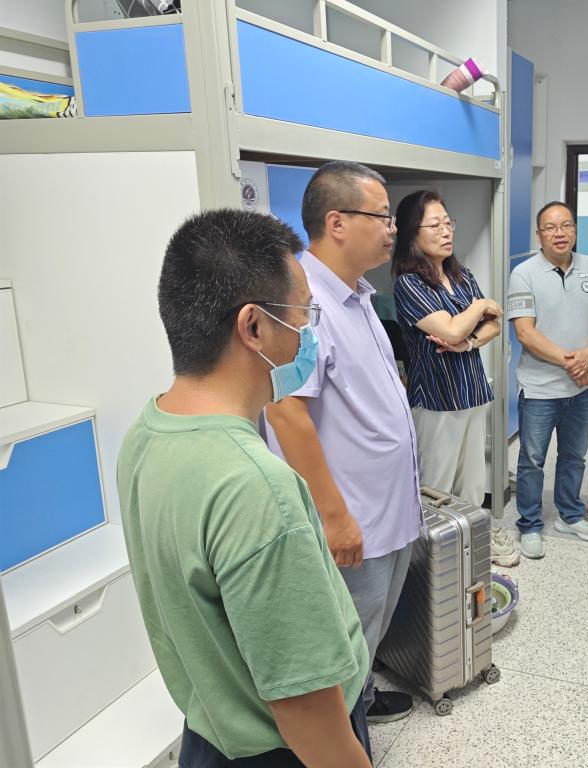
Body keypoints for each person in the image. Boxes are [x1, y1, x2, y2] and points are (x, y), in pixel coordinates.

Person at [117, 209, 371, 767]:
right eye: (304, 315)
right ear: (253, 326)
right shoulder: (257, 488)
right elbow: (307, 712)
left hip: (209, 730)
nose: (309, 335)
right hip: (281, 752)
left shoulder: (147, 432)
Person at [264, 161, 419, 725]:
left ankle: (363, 703)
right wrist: (333, 518)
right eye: (382, 216)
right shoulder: (304, 303)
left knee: (368, 631)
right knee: (343, 641)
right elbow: (285, 411)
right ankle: (345, 739)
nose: (392, 228)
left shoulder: (356, 294)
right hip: (351, 518)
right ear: (336, 222)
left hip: (385, 510)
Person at [391, 189, 519, 567]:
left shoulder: (461, 276)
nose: (446, 231)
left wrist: (469, 342)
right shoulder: (409, 285)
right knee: (436, 487)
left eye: (449, 223)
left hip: (471, 391)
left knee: (473, 484)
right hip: (436, 399)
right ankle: (433, 565)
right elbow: (450, 330)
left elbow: (493, 326)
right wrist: (481, 306)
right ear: (412, 233)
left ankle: (471, 550)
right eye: (435, 225)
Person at [506, 201, 588, 559]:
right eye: (550, 227)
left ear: (575, 230)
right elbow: (525, 333)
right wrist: (572, 362)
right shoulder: (523, 273)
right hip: (539, 388)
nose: (559, 233)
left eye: (566, 225)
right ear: (539, 235)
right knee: (532, 460)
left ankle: (570, 515)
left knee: (574, 455)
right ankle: (530, 524)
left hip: (581, 387)